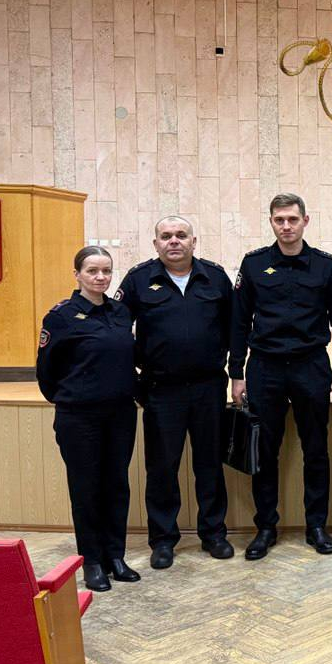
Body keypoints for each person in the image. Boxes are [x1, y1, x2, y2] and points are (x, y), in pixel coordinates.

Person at [229, 194, 332, 560]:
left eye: (292, 219)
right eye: (279, 220)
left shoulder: (325, 265)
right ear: (271, 222)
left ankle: (317, 526)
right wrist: (236, 374)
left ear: (305, 221)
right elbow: (239, 322)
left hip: (310, 365)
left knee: (316, 449)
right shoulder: (253, 264)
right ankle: (266, 527)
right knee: (264, 451)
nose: (286, 226)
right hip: (264, 367)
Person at [117, 216, 235, 568]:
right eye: (166, 236)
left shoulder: (215, 277)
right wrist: (133, 381)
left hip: (208, 387)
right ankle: (163, 540)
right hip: (161, 389)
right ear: (155, 243)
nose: (174, 241)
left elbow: (235, 328)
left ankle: (214, 534)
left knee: (210, 464)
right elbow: (116, 331)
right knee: (162, 467)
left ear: (193, 241)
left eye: (181, 235)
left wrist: (237, 373)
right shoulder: (139, 280)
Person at [36, 246, 140, 593]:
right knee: (86, 488)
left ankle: (115, 556)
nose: (100, 277)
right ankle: (92, 561)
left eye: (106, 271)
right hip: (79, 416)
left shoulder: (120, 312)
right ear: (77, 275)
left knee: (116, 485)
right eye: (92, 271)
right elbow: (47, 372)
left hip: (120, 414)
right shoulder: (61, 316)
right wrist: (74, 396)